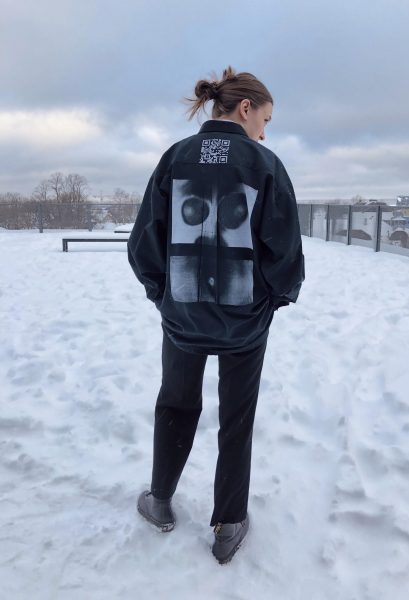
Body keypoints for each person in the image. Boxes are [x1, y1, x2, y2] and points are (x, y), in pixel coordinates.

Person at [127, 65, 305, 564]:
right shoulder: (266, 165)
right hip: (245, 324)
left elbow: (144, 241)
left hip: (182, 320)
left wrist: (164, 296)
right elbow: (285, 252)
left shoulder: (175, 158)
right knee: (237, 419)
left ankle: (160, 500)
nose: (264, 132)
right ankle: (229, 524)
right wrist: (272, 301)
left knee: (175, 405)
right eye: (265, 119)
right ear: (245, 108)